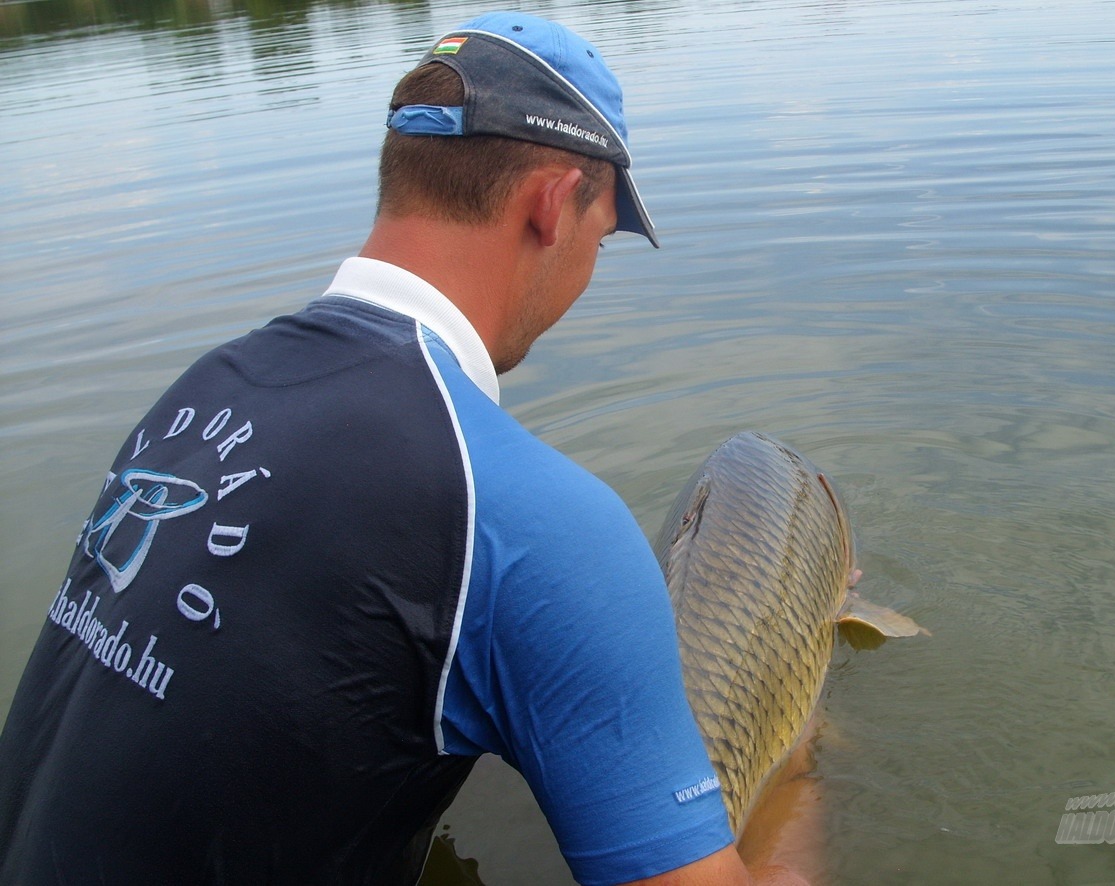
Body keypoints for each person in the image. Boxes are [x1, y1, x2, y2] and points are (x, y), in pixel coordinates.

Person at [0, 11, 816, 886]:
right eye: (604, 231)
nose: (590, 267)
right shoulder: (534, 519)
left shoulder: (199, 399)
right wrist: (802, 774)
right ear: (552, 202)